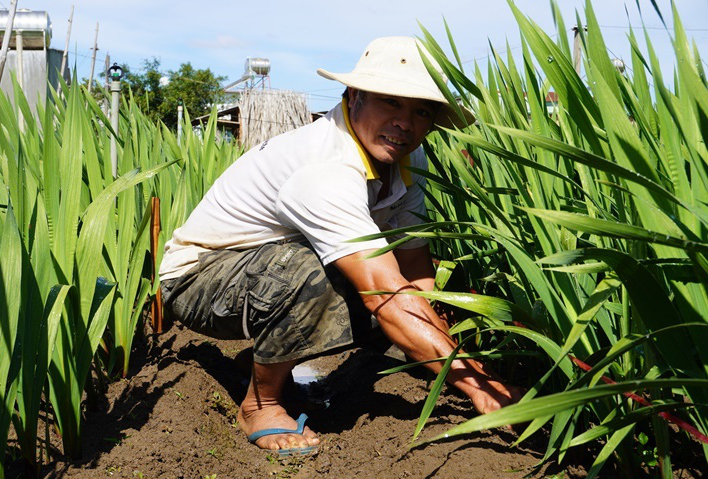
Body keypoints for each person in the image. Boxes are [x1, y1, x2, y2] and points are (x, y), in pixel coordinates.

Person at [159, 36, 522, 455]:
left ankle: (261, 362)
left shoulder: (406, 160)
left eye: (421, 111)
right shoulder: (326, 169)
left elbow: (415, 270)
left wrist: (454, 367)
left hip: (267, 273)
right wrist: (482, 387)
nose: (405, 123)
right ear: (353, 97)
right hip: (198, 278)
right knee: (326, 275)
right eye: (391, 102)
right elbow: (385, 294)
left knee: (384, 282)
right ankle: (262, 403)